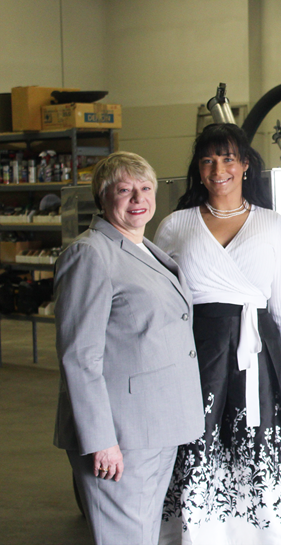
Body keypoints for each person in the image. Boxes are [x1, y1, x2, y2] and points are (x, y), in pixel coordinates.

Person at [156, 123, 281, 544]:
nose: (218, 169)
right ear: (198, 169)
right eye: (207, 160)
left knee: (257, 448)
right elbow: (161, 307)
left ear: (244, 165)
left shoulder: (273, 225)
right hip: (195, 356)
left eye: (227, 159)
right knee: (197, 448)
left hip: (257, 359)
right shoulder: (175, 225)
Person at [54, 152, 203, 545]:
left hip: (155, 426)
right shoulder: (90, 254)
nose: (138, 198)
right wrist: (101, 440)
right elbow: (79, 357)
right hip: (120, 435)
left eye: (145, 188)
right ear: (103, 197)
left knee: (143, 534)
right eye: (124, 190)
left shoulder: (143, 248)